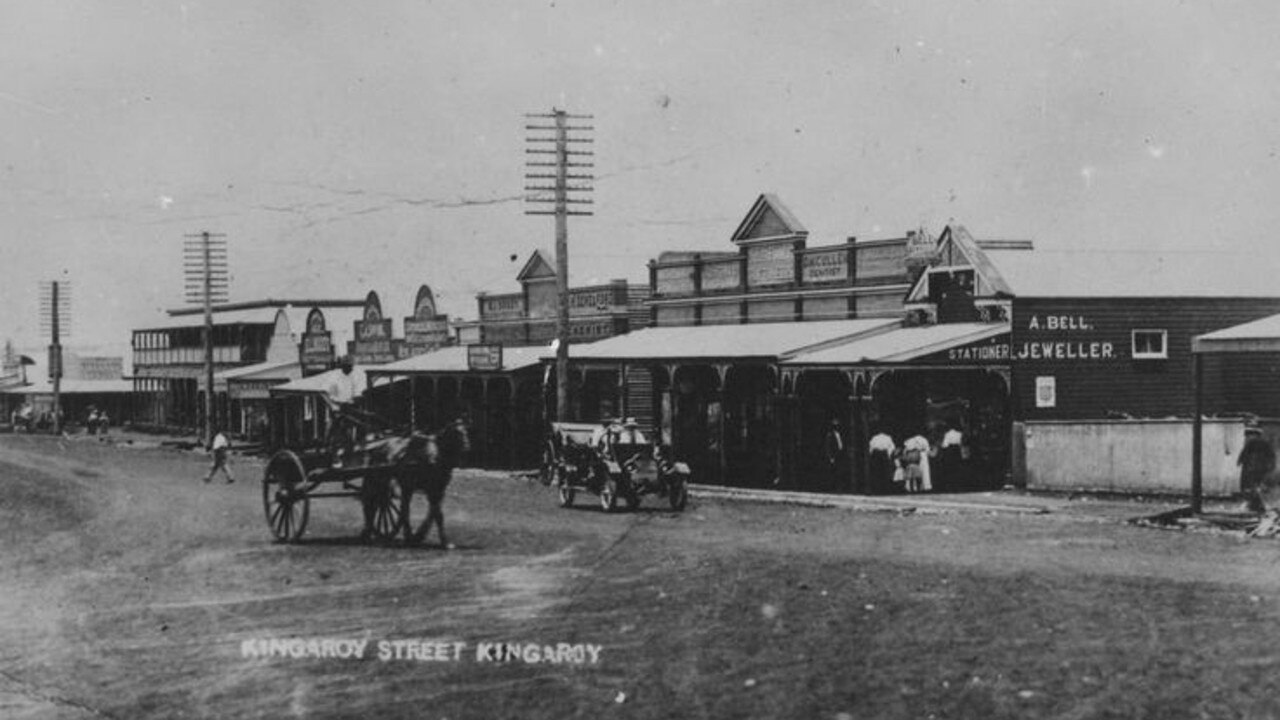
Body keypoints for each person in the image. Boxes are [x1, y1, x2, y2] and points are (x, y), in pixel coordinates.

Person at [1237, 424, 1275, 513]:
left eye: (1250, 434)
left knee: (1251, 486)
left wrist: (1240, 462)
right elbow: (1271, 455)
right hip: (1261, 468)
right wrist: (1270, 466)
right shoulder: (1265, 443)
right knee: (1256, 486)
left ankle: (1256, 505)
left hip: (1251, 468)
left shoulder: (1251, 442)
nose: (1248, 436)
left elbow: (1244, 453)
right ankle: (1257, 505)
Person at [868, 429, 897, 495]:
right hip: (883, 454)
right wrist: (889, 456)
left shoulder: (874, 438)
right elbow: (891, 447)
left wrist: (871, 455)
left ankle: (878, 489)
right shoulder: (888, 438)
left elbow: (871, 447)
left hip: (877, 454)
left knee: (877, 472)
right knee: (885, 472)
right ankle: (885, 489)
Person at [823, 418, 847, 492]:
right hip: (834, 456)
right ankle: (832, 488)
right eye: (835, 425)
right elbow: (828, 447)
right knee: (833, 473)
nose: (837, 427)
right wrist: (830, 457)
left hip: (840, 455)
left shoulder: (840, 434)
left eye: (837, 425)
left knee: (840, 472)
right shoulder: (830, 435)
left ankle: (839, 488)